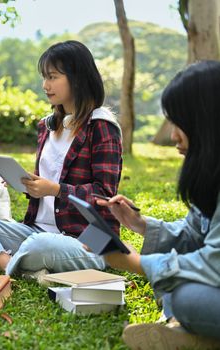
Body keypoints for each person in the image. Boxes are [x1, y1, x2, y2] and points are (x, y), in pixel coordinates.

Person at [0, 40, 123, 278]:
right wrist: (26, 184)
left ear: (78, 78)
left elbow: (104, 196)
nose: (45, 85)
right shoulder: (48, 125)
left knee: (39, 246)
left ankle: (19, 264)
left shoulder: (102, 127)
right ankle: (21, 268)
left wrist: (54, 189)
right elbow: (46, 183)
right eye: (44, 77)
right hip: (35, 229)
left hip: (87, 238)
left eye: (53, 77)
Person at [97, 60, 220, 349]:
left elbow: (214, 262)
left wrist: (136, 263)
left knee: (183, 297)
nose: (173, 135)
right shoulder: (212, 173)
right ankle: (195, 335)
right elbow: (195, 234)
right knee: (177, 291)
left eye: (180, 124)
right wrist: (138, 223)